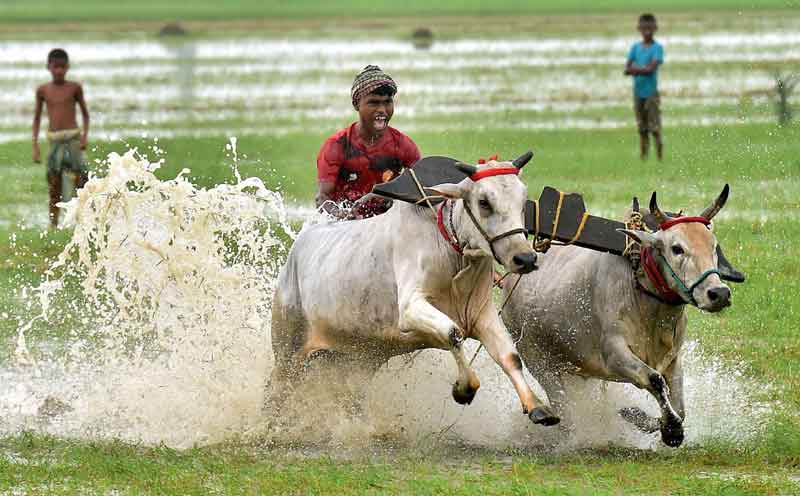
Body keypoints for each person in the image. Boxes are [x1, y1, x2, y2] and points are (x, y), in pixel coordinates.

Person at [316, 65, 421, 219]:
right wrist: (342, 216)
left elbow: (423, 186)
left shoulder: (402, 145)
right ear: (356, 105)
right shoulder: (337, 146)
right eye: (374, 103)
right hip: (346, 227)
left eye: (387, 102)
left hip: (386, 224)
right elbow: (322, 199)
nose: (382, 110)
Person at [32, 48, 90, 228]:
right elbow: (37, 118)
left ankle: (85, 219)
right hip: (55, 141)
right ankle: (53, 224)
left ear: (68, 67)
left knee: (83, 181)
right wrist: (35, 146)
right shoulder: (43, 90)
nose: (59, 71)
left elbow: (85, 115)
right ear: (48, 67)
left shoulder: (74, 88)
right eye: (55, 67)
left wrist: (84, 137)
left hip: (73, 139)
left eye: (62, 67)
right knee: (53, 183)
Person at [625, 13, 664, 161]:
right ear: (639, 29)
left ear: (655, 28)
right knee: (642, 129)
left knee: (655, 128)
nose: (646, 31)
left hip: (651, 94)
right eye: (644, 28)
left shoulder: (657, 48)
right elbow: (627, 69)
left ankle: (660, 158)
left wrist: (636, 68)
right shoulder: (635, 47)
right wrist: (640, 69)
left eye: (649, 28)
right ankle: (644, 158)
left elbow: (651, 69)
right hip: (638, 93)